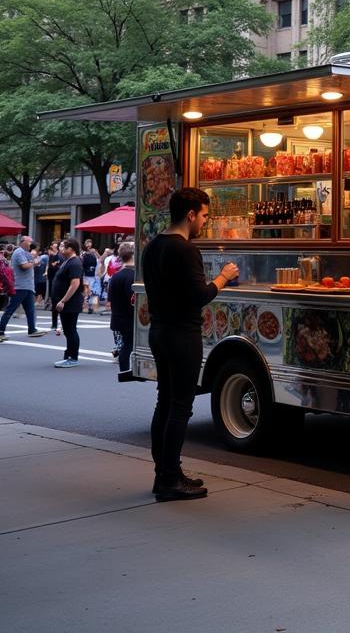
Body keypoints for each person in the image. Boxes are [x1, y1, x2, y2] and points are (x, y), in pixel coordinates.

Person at [142, 188, 238, 502]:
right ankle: (170, 479)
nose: (205, 222)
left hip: (159, 332)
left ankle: (165, 473)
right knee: (180, 407)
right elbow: (200, 295)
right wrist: (223, 277)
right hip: (183, 334)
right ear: (191, 214)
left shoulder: (153, 246)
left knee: (165, 403)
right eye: (205, 215)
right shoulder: (185, 250)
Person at [0, 234, 46, 340]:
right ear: (23, 242)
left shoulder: (25, 253)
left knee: (30, 310)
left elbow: (37, 262)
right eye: (29, 241)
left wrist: (35, 259)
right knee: (10, 309)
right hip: (20, 286)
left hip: (28, 286)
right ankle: (0, 331)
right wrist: (33, 261)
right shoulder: (19, 252)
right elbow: (24, 266)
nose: (31, 243)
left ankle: (32, 329)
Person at [51, 238, 84, 366]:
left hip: (70, 302)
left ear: (71, 249)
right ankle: (69, 354)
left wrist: (63, 300)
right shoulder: (68, 261)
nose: (60, 248)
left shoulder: (74, 262)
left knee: (70, 329)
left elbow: (75, 283)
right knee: (68, 329)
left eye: (63, 246)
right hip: (66, 302)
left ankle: (73, 357)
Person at [107, 242, 135, 374]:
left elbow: (110, 297)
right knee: (128, 344)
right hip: (128, 317)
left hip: (117, 315)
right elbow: (132, 300)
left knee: (127, 343)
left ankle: (125, 367)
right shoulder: (132, 276)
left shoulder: (116, 276)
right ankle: (125, 369)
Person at [46, 241, 62, 334]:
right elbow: (51, 266)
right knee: (55, 302)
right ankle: (54, 323)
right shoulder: (53, 256)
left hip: (63, 281)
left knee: (63, 303)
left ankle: (61, 323)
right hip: (54, 281)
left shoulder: (64, 257)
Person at [81, 238, 99, 313]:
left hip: (92, 275)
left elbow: (99, 261)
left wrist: (95, 253)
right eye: (87, 243)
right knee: (86, 290)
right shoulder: (83, 254)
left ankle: (90, 306)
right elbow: (82, 264)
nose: (88, 245)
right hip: (85, 274)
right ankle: (86, 306)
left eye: (90, 243)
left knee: (91, 290)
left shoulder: (94, 254)